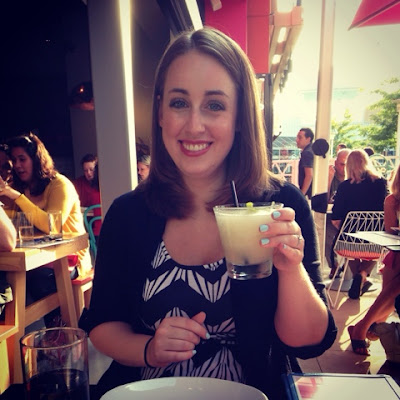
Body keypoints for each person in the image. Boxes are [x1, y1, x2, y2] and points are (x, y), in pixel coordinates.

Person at [80, 28, 337, 400]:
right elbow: (103, 324)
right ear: (161, 112)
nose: (194, 125)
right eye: (179, 102)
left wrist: (289, 269)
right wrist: (149, 349)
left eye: (215, 105)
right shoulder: (128, 213)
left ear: (239, 116)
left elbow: (308, 342)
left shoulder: (281, 204)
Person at [0, 132, 92, 324]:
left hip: (70, 258)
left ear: (36, 159)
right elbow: (10, 223)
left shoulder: (59, 184)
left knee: (38, 278)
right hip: (37, 258)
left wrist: (17, 197)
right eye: (14, 160)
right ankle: (16, 333)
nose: (17, 165)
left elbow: (52, 226)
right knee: (9, 278)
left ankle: (60, 328)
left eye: (22, 159)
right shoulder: (19, 187)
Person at [348, 164, 400, 356]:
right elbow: (391, 233)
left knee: (385, 312)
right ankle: (364, 328)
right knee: (390, 301)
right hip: (397, 253)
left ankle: (363, 327)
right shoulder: (392, 200)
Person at [331, 149, 387, 299]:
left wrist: (345, 227)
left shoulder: (344, 187)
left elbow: (335, 217)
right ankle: (363, 274)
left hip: (349, 242)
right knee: (379, 246)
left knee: (349, 242)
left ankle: (359, 275)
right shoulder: (380, 183)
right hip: (375, 241)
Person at [326, 148, 351, 278]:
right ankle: (334, 265)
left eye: (347, 164)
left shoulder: (355, 178)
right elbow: (324, 200)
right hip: (333, 217)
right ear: (335, 163)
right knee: (325, 231)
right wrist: (329, 180)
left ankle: (349, 267)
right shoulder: (332, 176)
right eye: (342, 164)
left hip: (351, 220)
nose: (344, 168)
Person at [74, 153, 102, 239]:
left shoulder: (102, 184)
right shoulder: (78, 183)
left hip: (97, 223)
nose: (89, 173)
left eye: (91, 169)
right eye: (85, 170)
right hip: (85, 221)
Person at [296, 127, 314, 199]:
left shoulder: (307, 153)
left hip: (308, 193)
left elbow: (309, 175)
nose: (297, 140)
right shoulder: (312, 149)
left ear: (308, 139)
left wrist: (302, 195)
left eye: (300, 137)